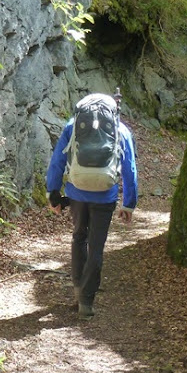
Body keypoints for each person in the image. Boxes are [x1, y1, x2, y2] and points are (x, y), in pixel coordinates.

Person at [46, 92, 138, 318]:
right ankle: (86, 302)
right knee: (96, 246)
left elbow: (58, 160)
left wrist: (53, 193)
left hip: (76, 192)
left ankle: (78, 292)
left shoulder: (73, 125)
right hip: (105, 196)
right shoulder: (120, 130)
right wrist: (129, 204)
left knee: (79, 237)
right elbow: (129, 169)